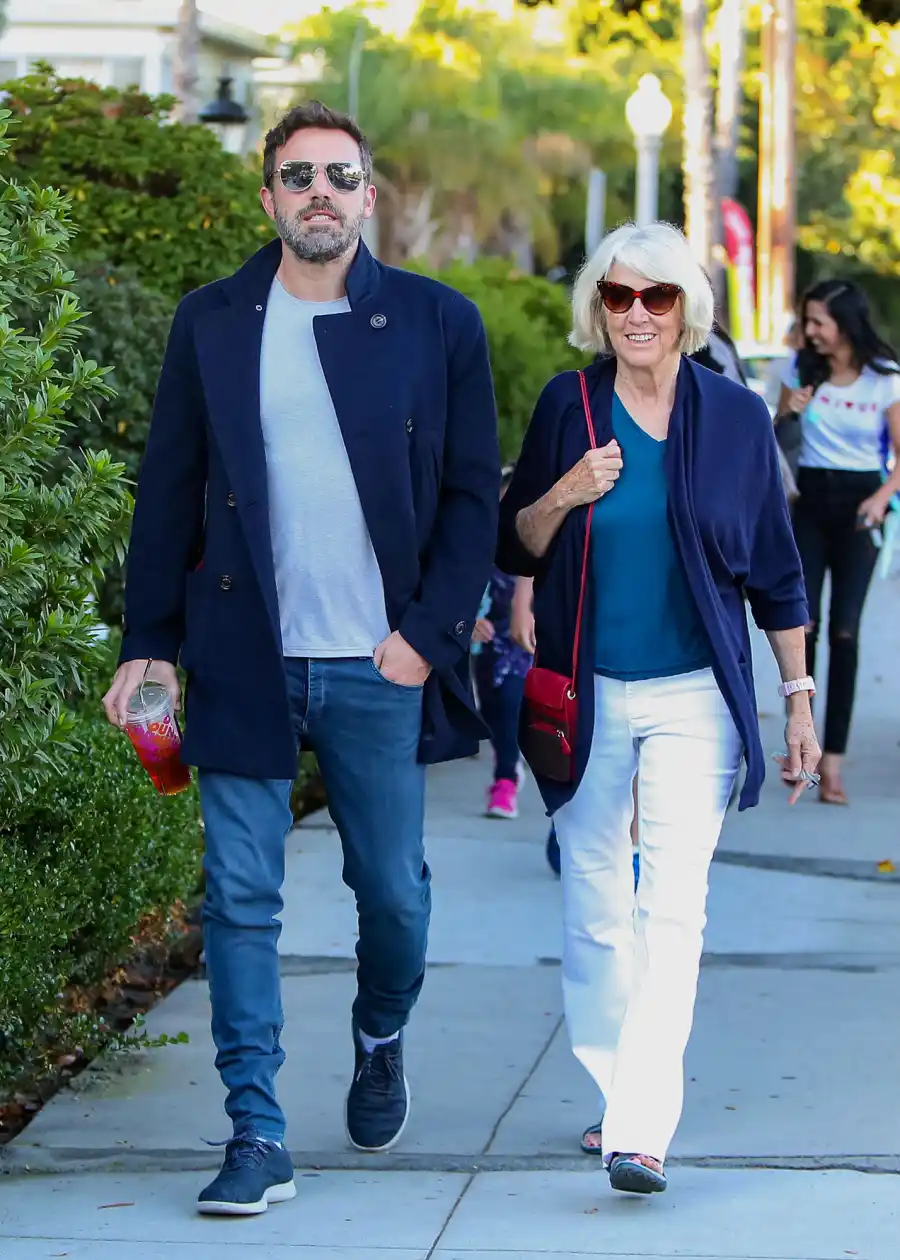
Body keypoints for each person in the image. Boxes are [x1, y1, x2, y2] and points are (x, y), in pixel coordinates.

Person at [102, 100, 500, 1215]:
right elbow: (169, 490)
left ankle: (381, 1034)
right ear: (268, 196)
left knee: (395, 897)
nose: (319, 192)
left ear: (369, 195)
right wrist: (149, 647)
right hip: (242, 652)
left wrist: (427, 636)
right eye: (297, 177)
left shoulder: (437, 322)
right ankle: (255, 1132)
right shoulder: (212, 321)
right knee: (239, 898)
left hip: (381, 665)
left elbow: (474, 495)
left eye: (339, 175)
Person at [498, 222, 820, 1197]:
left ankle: (643, 1126)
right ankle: (613, 1088)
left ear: (687, 307)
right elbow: (519, 546)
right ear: (598, 307)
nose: (637, 314)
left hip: (695, 696)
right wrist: (563, 490)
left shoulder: (732, 416)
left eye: (658, 297)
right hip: (586, 693)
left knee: (671, 907)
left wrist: (798, 700)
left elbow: (775, 566)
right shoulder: (570, 405)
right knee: (595, 900)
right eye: (619, 296)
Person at [776, 280, 900, 805]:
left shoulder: (883, 380)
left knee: (845, 632)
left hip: (859, 509)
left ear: (845, 323)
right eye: (806, 321)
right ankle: (799, 746)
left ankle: (834, 764)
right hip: (808, 503)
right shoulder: (798, 370)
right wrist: (791, 412)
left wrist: (882, 497)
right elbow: (774, 444)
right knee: (802, 628)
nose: (809, 331)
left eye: (818, 321)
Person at [471, 467, 535, 819]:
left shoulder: (541, 543)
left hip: (525, 644)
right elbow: (462, 590)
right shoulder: (480, 546)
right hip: (487, 644)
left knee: (511, 704)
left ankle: (505, 781)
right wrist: (468, 620)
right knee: (494, 712)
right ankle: (506, 756)